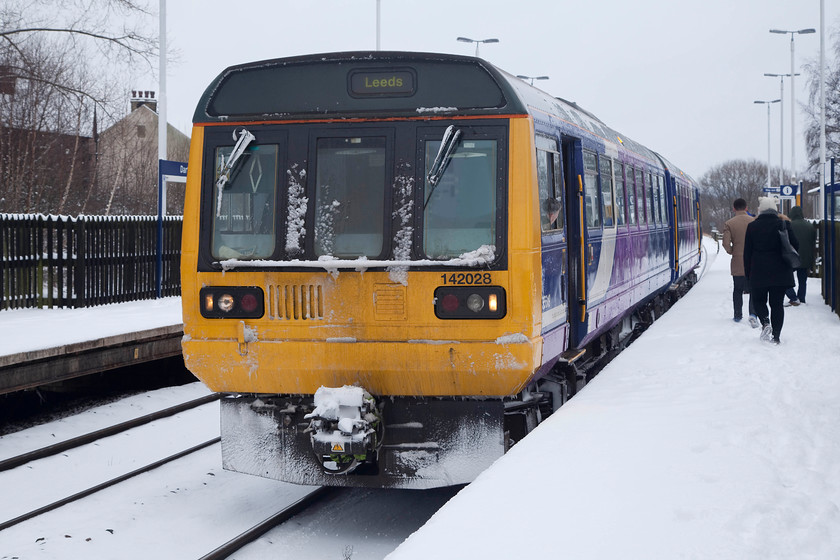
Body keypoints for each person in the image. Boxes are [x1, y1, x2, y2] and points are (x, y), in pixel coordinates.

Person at [744, 196, 799, 345]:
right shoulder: (784, 224)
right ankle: (776, 336)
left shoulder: (752, 226)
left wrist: (747, 274)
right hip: (780, 271)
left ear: (760, 210)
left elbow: (747, 252)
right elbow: (795, 245)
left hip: (758, 270)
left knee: (759, 301)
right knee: (777, 304)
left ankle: (765, 322)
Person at [722, 198, 758, 326]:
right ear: (746, 208)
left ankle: (737, 315)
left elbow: (725, 243)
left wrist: (732, 251)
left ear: (734, 208)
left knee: (737, 289)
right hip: (753, 260)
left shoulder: (729, 223)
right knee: (754, 289)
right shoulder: (754, 221)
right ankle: (753, 314)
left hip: (738, 259)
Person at [783, 205, 817, 306]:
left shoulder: (789, 225)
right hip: (806, 257)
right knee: (802, 280)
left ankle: (793, 297)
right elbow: (813, 241)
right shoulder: (809, 226)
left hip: (792, 256)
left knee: (785, 278)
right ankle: (801, 298)